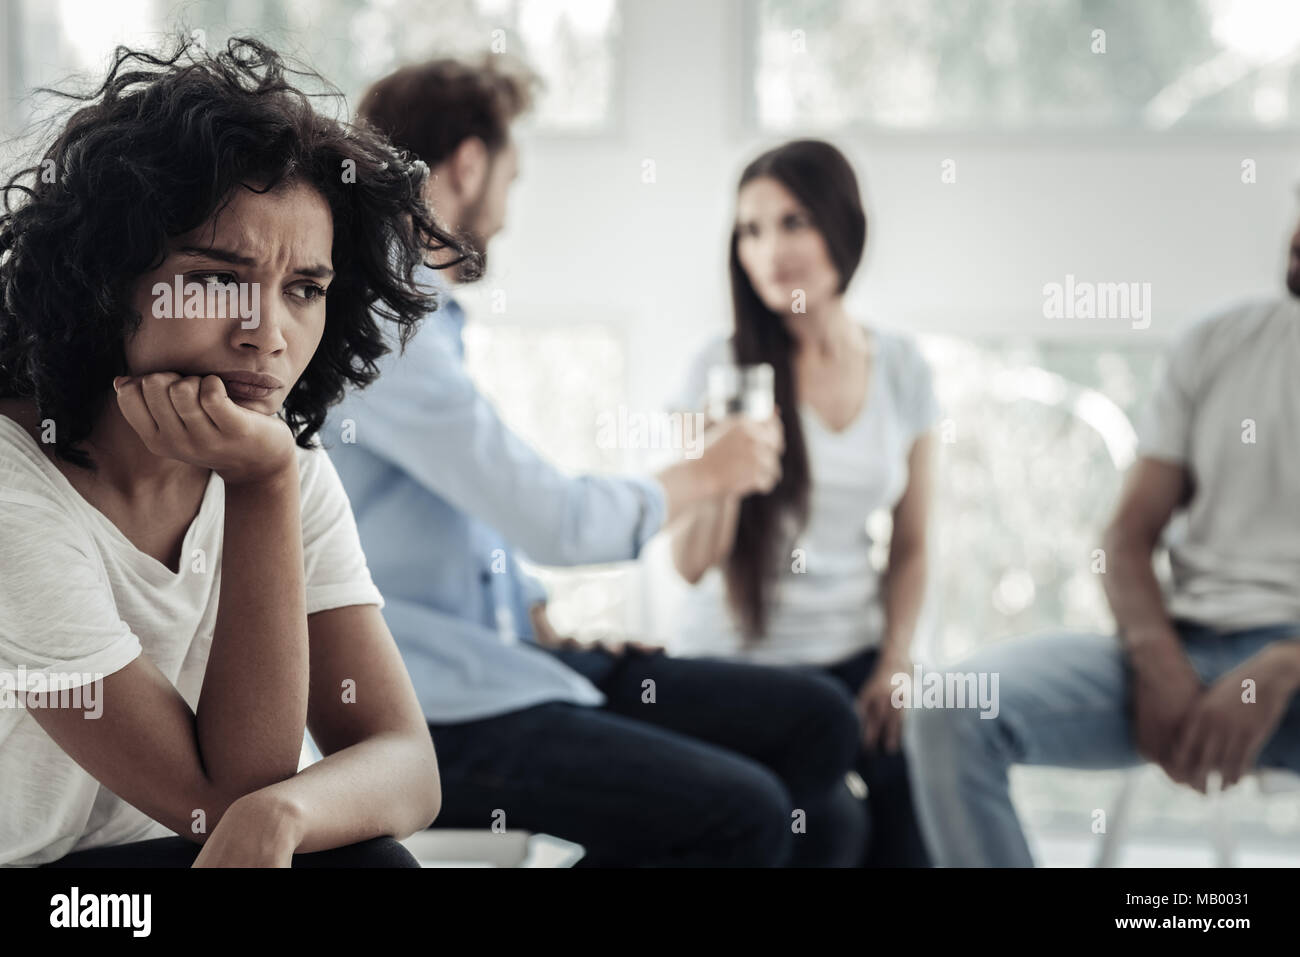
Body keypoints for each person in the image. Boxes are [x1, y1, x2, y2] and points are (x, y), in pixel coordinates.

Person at [324, 57, 862, 866]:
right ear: (468, 165)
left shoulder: (427, 326)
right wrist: (707, 473)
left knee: (821, 725)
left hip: (513, 658)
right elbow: (560, 521)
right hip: (439, 710)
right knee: (750, 814)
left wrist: (535, 613)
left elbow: (457, 510)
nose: (506, 212)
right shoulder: (385, 336)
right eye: (513, 176)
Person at [0, 35, 460, 867]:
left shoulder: (278, 462)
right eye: (217, 279)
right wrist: (260, 487)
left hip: (150, 857)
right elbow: (221, 800)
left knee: (366, 859)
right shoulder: (14, 490)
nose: (268, 335)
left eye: (304, 290)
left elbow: (408, 764)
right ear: (106, 282)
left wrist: (283, 817)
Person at [904, 227, 1300, 866]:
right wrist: (1159, 661)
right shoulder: (1218, 342)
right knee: (948, 712)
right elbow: (1125, 540)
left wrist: (1283, 665)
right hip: (1189, 645)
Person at [666, 140, 939, 867]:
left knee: (920, 817)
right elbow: (690, 564)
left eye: (792, 222)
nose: (769, 251)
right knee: (828, 827)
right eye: (750, 231)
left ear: (841, 227)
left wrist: (897, 658)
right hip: (738, 666)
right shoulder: (719, 368)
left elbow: (912, 543)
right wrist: (724, 466)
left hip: (852, 652)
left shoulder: (903, 369)